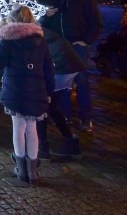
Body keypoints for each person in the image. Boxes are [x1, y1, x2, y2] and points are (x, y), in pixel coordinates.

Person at [0, 4, 54, 184]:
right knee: (32, 128)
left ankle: (21, 170)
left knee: (18, 128)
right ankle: (33, 172)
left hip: (15, 89)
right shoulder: (41, 40)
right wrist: (49, 92)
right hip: (37, 89)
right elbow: (48, 70)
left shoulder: (8, 40)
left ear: (12, 19)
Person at [39, 0, 103, 132]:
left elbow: (95, 21)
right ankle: (64, 115)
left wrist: (86, 40)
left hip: (77, 45)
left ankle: (85, 117)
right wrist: (45, 16)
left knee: (81, 80)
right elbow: (38, 22)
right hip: (57, 47)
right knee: (61, 82)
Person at [37, 26, 84, 158]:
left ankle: (42, 148)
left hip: (60, 68)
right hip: (69, 66)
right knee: (51, 106)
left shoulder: (29, 31)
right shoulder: (38, 27)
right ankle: (70, 143)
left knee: (42, 105)